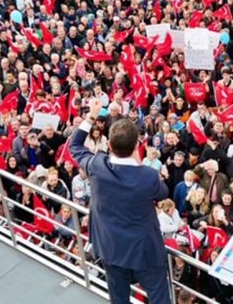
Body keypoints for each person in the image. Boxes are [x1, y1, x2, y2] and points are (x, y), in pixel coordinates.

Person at [69, 99, 171, 304]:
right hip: (145, 252)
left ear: (109, 145)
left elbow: (75, 145)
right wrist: (140, 165)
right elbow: (163, 192)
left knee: (119, 299)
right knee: (160, 299)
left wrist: (91, 115)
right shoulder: (149, 176)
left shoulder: (96, 166)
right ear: (137, 146)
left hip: (111, 249)